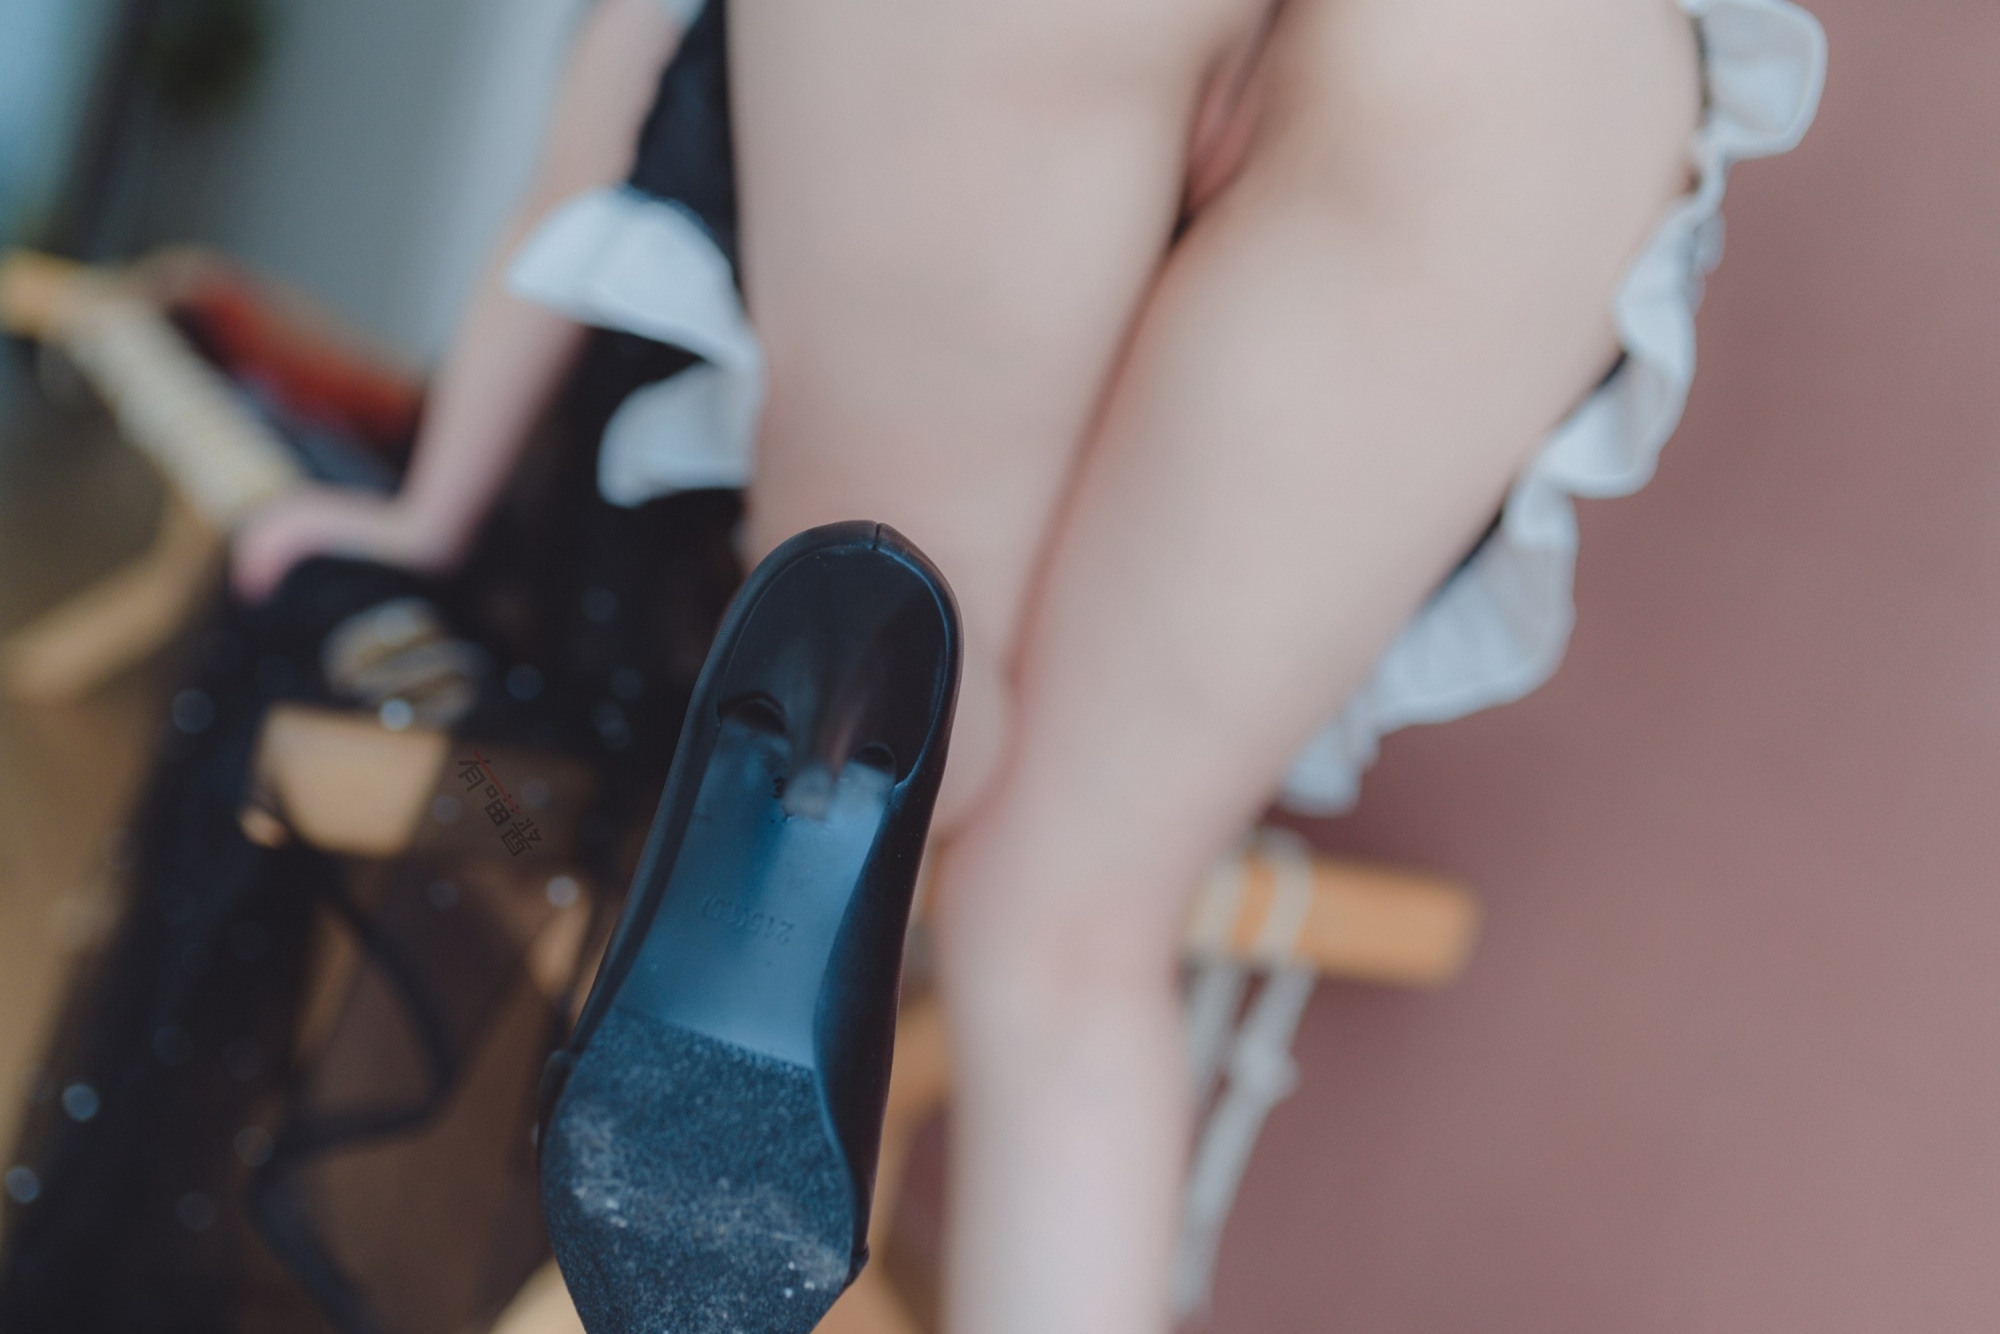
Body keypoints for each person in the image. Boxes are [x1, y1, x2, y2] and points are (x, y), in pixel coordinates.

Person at [231, 0, 1826, 1329]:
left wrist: (429, 507)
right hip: (1539, 55)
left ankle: (830, 772)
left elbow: (619, 68)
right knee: (1072, 946)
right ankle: (855, 774)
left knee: (927, 672)